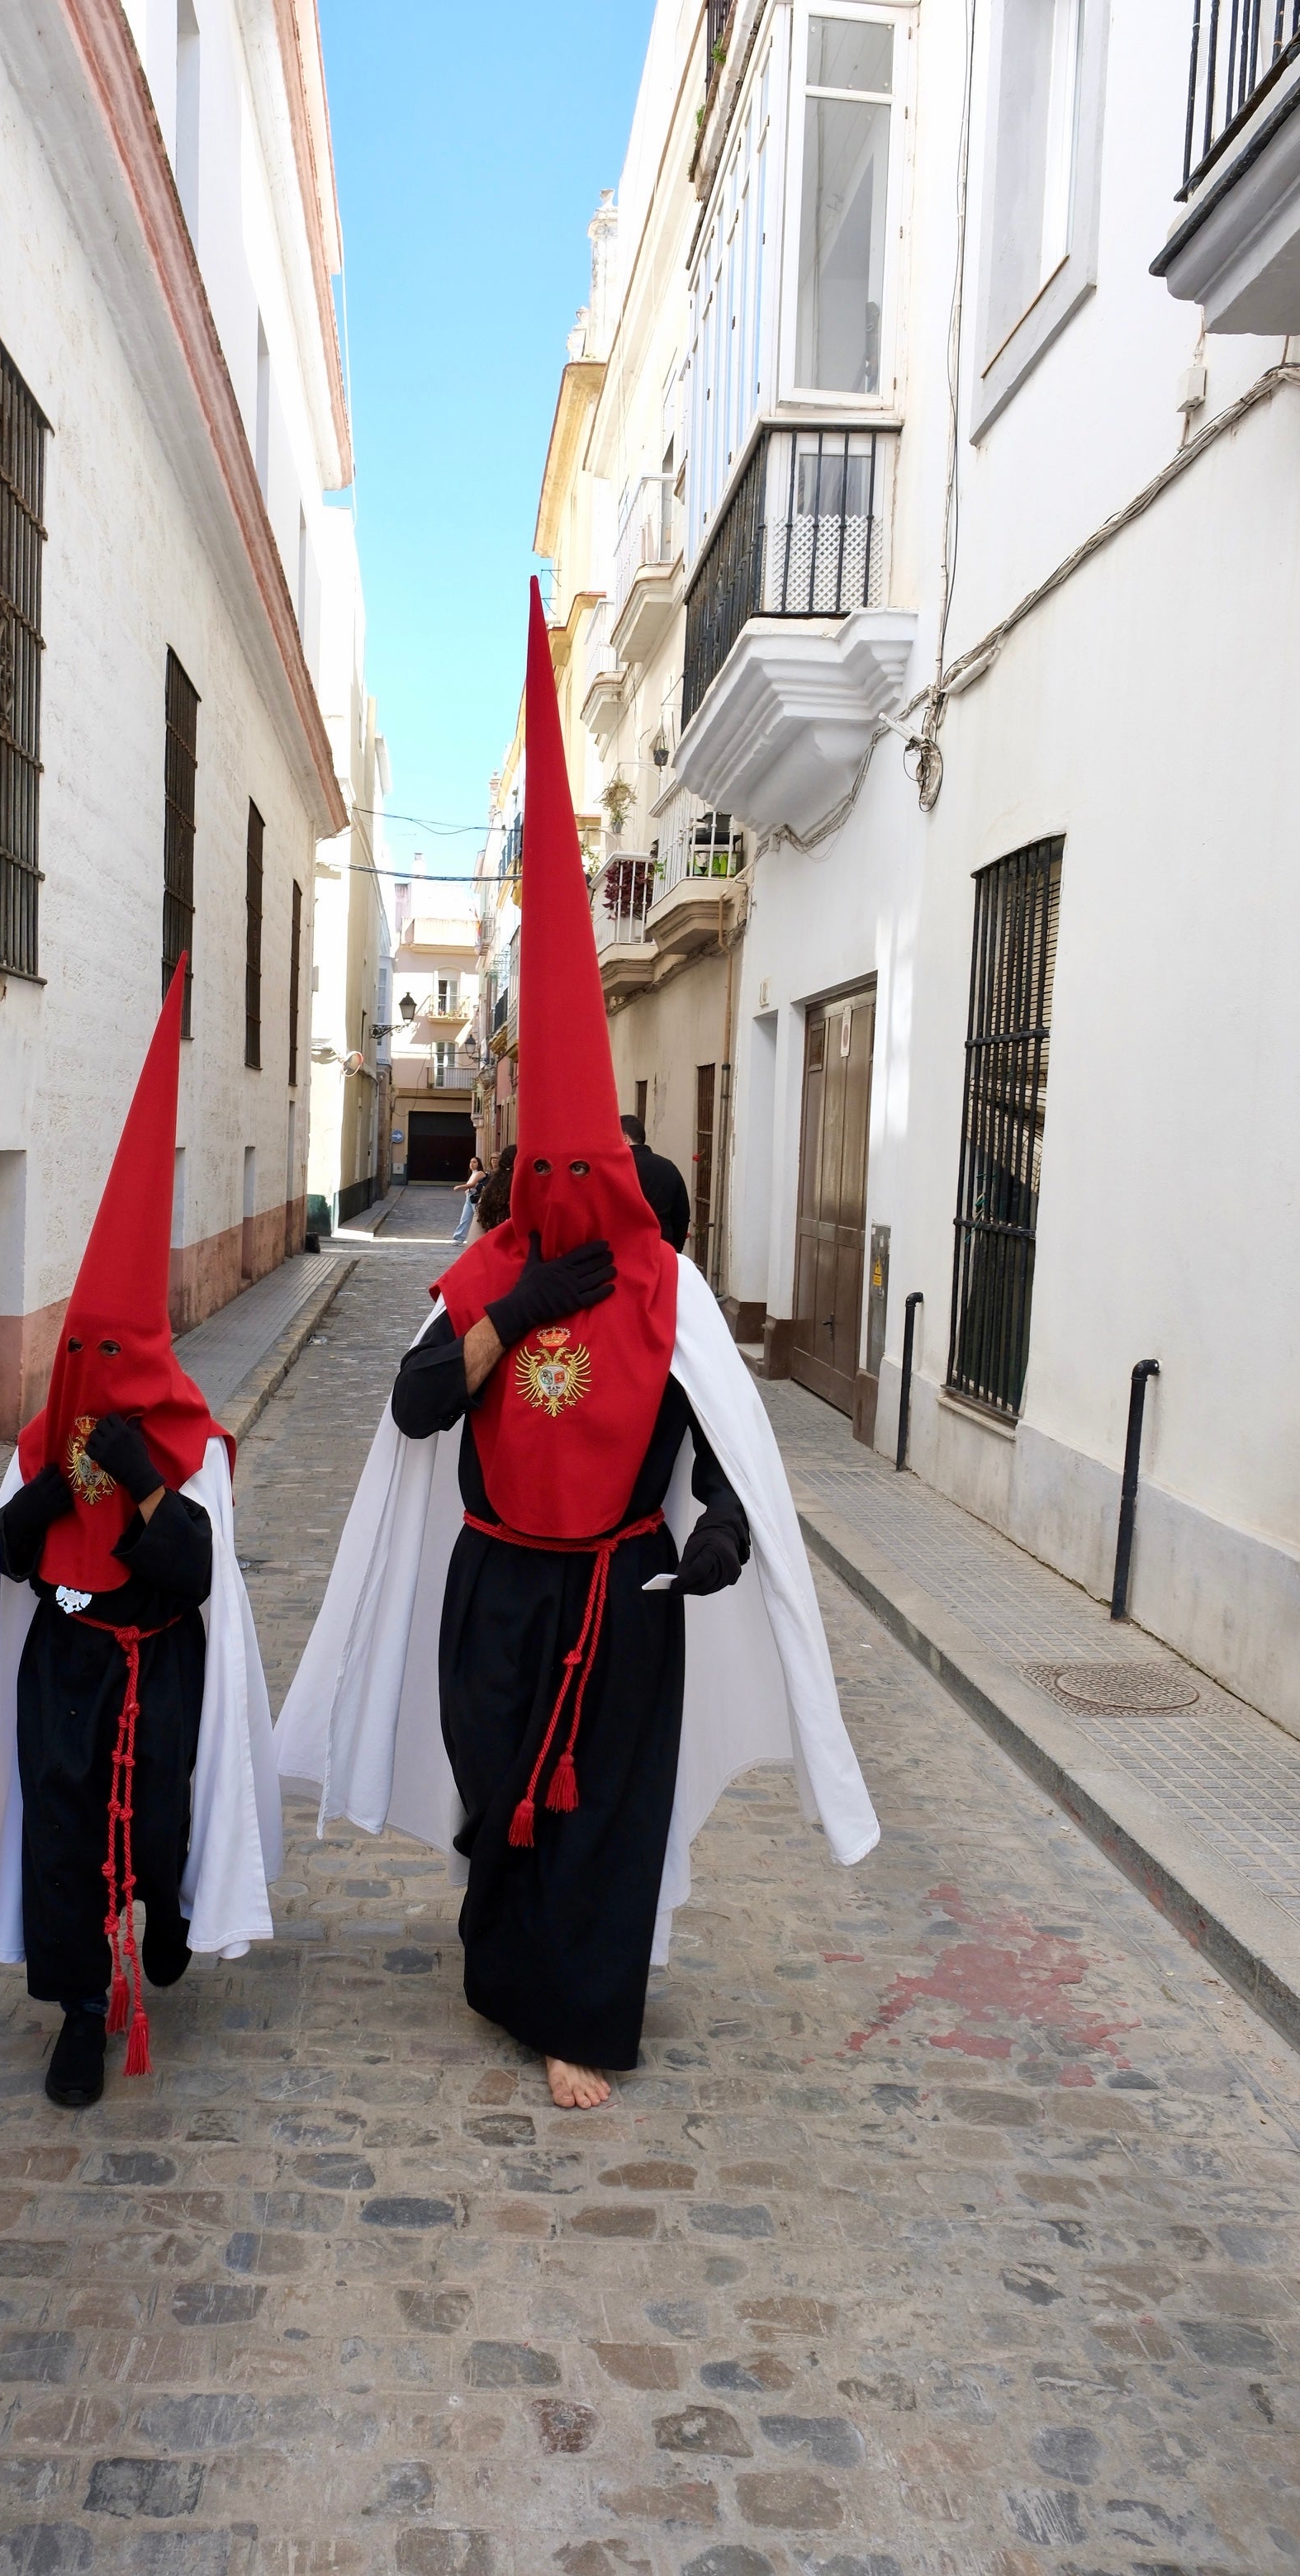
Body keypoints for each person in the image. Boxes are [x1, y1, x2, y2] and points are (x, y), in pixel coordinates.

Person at [275, 585, 878, 2111]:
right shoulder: (489, 1274)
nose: (554, 1189)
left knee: (606, 1809)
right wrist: (520, 1307)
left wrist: (724, 1524)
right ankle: (506, 1969)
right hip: (497, 1588)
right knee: (502, 1798)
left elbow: (716, 1439)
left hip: (623, 1591)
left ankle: (583, 2019)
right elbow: (420, 1404)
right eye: (534, 1175)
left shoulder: (666, 1289)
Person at [0, 959, 283, 2109]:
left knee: (159, 1821)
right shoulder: (45, 1439)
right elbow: (11, 1554)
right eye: (78, 1355)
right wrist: (48, 1490)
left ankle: (169, 1911)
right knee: (64, 1841)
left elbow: (195, 1570)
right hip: (68, 1667)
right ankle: (81, 2011)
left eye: (111, 1358)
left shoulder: (192, 1444)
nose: (90, 1375)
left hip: (159, 1664)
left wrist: (138, 1476)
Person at [620, 1113, 690, 1252]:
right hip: (662, 1246)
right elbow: (682, 1215)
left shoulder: (618, 1168)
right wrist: (675, 1251)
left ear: (625, 1139)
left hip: (626, 1248)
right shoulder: (668, 1167)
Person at [450, 1154, 486, 1245]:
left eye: (474, 1162)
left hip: (475, 1198)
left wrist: (460, 1187)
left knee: (479, 1218)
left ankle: (483, 1236)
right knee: (464, 1218)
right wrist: (467, 1190)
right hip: (469, 1198)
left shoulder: (480, 1173)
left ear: (479, 1164)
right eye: (471, 1162)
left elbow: (472, 1184)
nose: (472, 1164)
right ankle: (459, 1238)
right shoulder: (472, 1173)